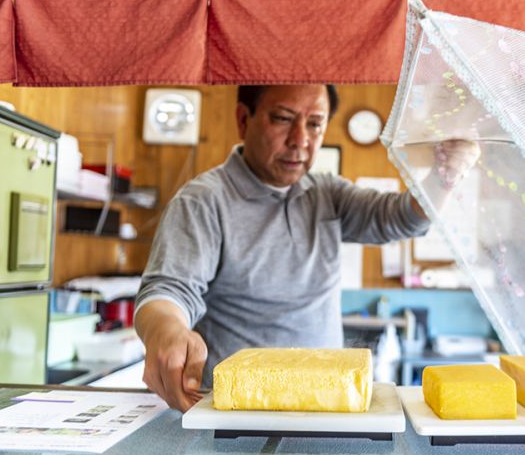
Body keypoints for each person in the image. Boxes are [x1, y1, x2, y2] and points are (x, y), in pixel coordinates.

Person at [135, 84, 480, 412]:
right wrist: (166, 328)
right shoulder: (203, 202)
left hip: (324, 406)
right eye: (283, 119)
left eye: (315, 124)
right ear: (243, 119)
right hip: (241, 413)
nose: (300, 140)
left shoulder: (326, 193)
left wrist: (444, 176)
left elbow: (402, 218)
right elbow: (169, 291)